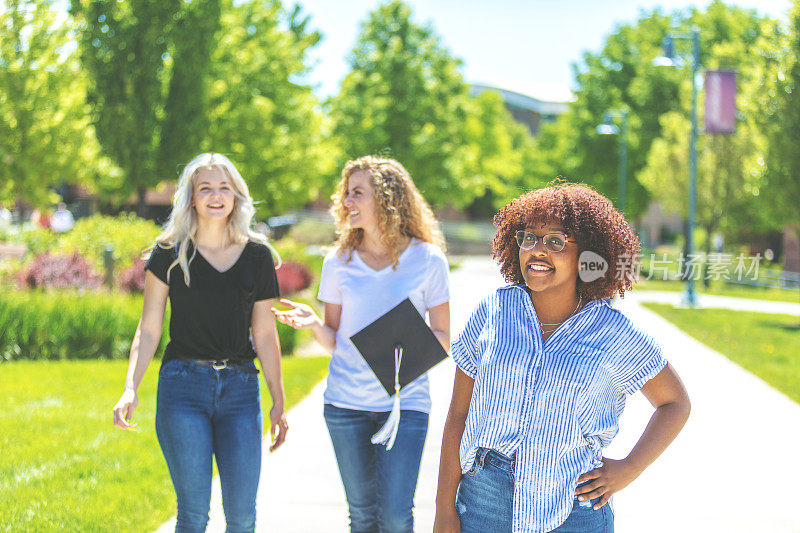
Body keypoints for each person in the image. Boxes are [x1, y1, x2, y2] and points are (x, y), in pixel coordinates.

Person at [434, 183, 691, 533]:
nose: (537, 251)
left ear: (587, 255)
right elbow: (458, 416)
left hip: (573, 510)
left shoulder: (613, 332)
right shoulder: (493, 310)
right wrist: (443, 508)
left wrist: (630, 468)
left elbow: (675, 402)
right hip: (483, 503)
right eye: (528, 238)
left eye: (555, 241)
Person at [112, 152, 289, 533]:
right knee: (193, 515)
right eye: (205, 188)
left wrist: (278, 400)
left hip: (241, 392)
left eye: (224, 187)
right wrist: (130, 388)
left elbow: (264, 333)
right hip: (182, 389)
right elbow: (149, 329)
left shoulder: (257, 256)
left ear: (236, 195)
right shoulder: (169, 253)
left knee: (242, 517)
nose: (215, 195)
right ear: (191, 197)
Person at [272, 156, 451, 532]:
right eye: (346, 193)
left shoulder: (428, 259)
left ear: (388, 198)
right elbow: (335, 340)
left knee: (396, 517)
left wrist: (390, 352)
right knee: (362, 516)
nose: (346, 201)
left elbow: (443, 338)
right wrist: (314, 324)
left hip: (405, 408)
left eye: (358, 193)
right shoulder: (339, 261)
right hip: (345, 406)